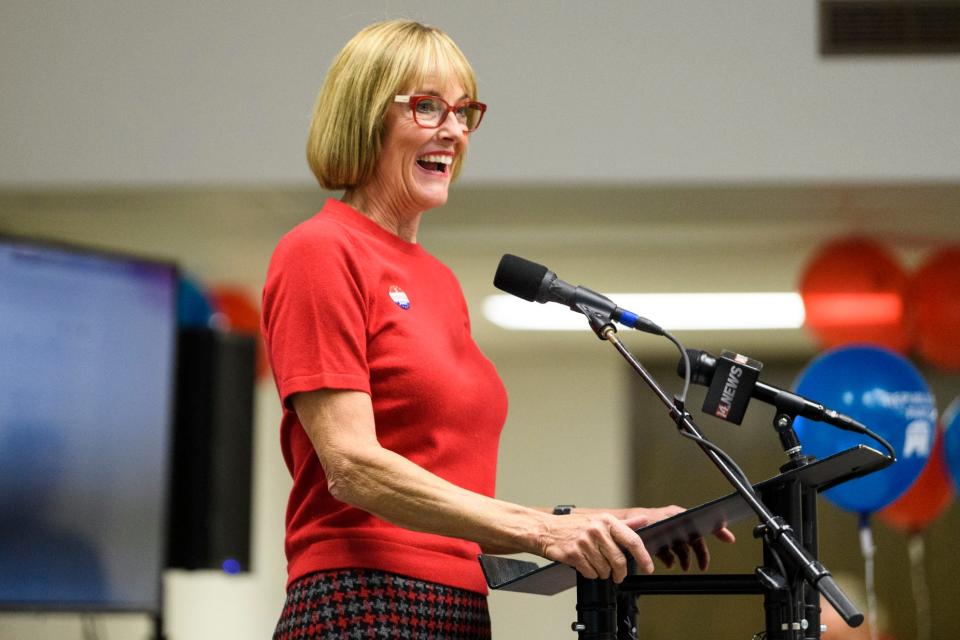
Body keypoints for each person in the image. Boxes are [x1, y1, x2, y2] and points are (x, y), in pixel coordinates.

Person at [261, 19, 735, 639]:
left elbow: (449, 491)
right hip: (362, 600)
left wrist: (601, 522)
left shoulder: (437, 282)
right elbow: (352, 466)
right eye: (426, 107)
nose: (453, 131)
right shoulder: (320, 250)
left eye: (463, 112)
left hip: (458, 604)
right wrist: (543, 532)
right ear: (364, 116)